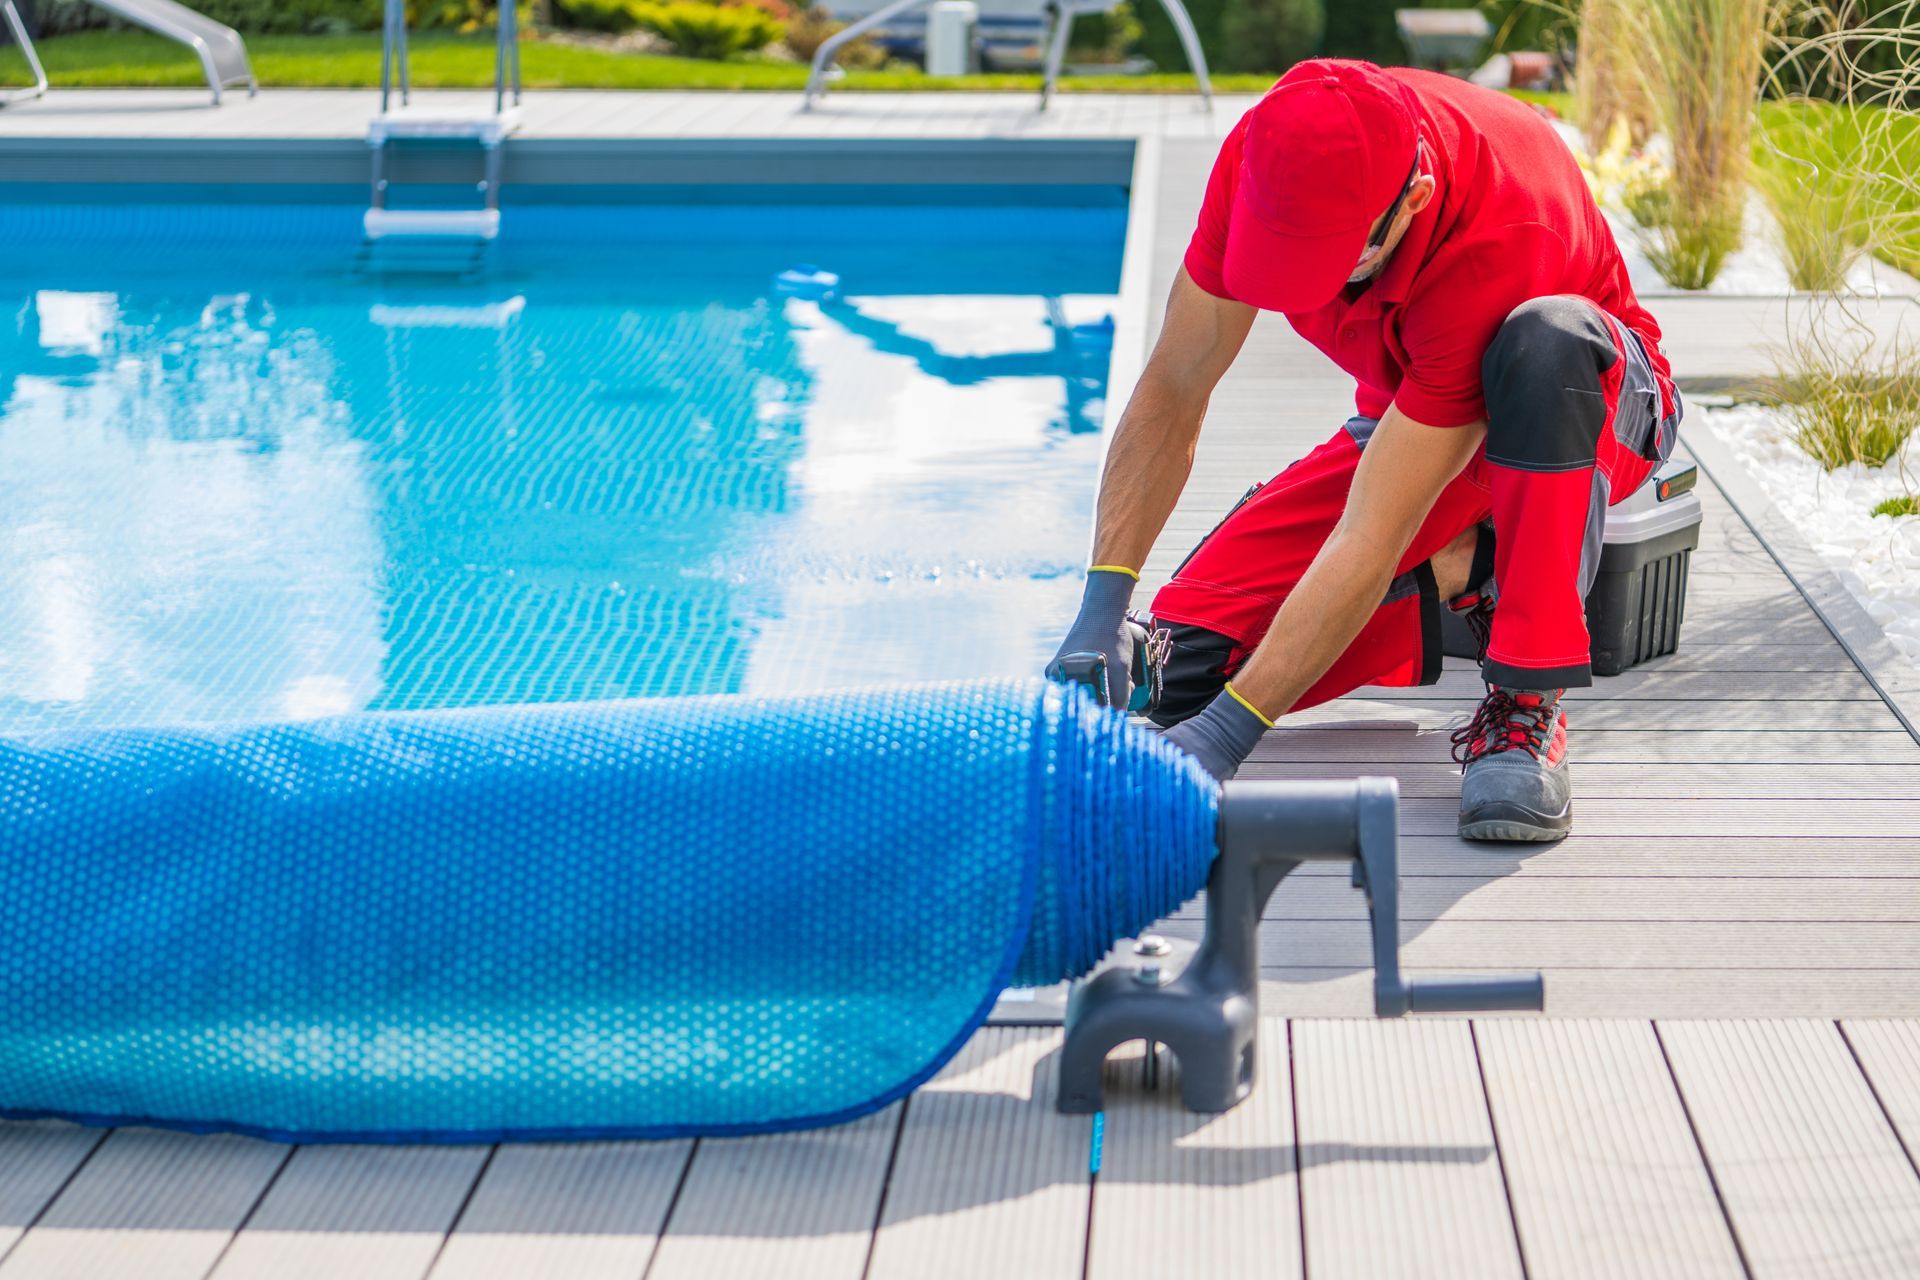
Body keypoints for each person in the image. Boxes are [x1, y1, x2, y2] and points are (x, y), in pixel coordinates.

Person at [1046, 58, 1681, 841]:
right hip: (1413, 417)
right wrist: (1103, 606)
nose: (1305, 292)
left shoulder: (1500, 231)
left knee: (1542, 342)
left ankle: (1526, 700)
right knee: (1186, 672)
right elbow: (1176, 384)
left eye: (1327, 264)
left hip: (1590, 404)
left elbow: (1370, 532)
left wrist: (1222, 745)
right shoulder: (1265, 157)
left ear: (1410, 204)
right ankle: (1473, 571)